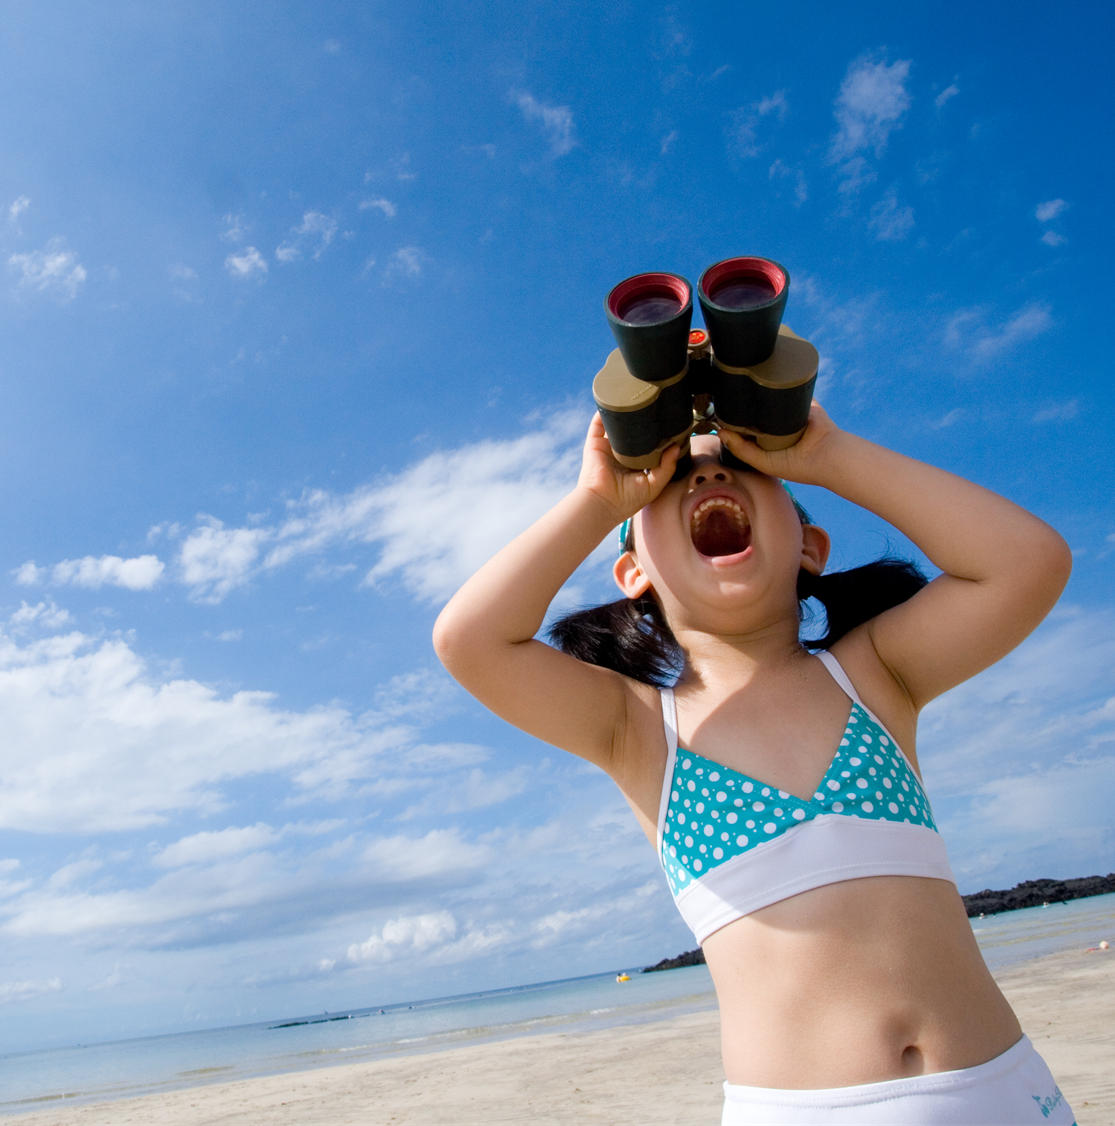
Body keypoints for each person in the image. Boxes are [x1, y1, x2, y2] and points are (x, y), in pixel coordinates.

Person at [433, 404, 1077, 1124]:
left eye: (746, 468)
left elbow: (1029, 562)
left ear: (811, 545)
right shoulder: (639, 730)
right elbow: (470, 641)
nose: (709, 471)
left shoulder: (874, 675)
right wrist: (598, 499)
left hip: (1003, 1093)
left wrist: (825, 454)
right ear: (632, 571)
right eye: (672, 479)